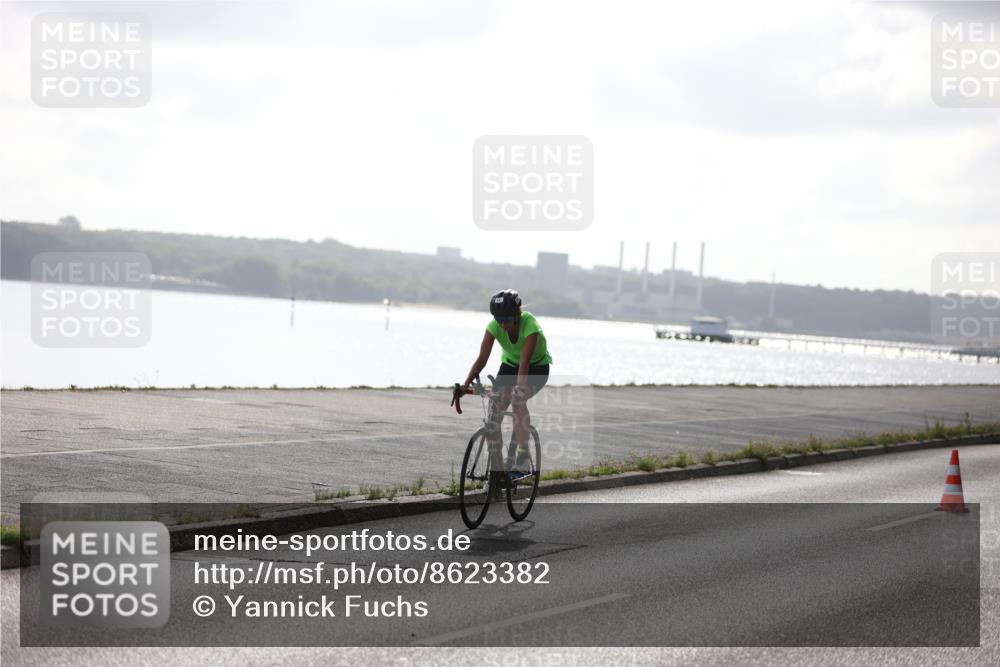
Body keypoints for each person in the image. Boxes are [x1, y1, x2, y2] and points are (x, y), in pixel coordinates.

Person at [461, 289, 552, 478]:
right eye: (499, 320)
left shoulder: (530, 326)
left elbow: (524, 363)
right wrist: (464, 385)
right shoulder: (494, 326)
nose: (503, 325)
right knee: (494, 414)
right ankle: (498, 473)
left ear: (517, 314)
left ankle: (523, 456)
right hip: (509, 366)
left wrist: (518, 389)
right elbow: (482, 359)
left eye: (507, 320)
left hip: (536, 369)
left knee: (519, 401)